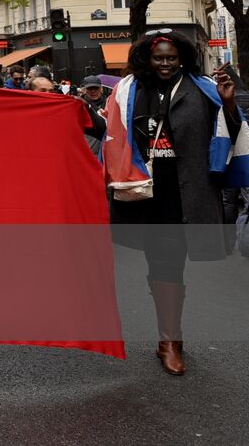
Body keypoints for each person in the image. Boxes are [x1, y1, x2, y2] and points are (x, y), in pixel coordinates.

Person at [104, 29, 243, 375]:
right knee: (162, 261)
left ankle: (170, 339)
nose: (165, 63)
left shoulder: (203, 89)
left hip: (188, 194)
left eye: (171, 58)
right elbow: (109, 132)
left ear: (182, 58)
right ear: (147, 59)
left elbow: (230, 134)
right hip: (146, 194)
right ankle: (169, 339)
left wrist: (228, 103)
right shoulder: (130, 91)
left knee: (171, 262)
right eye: (159, 58)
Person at [78, 75, 108, 155]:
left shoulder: (109, 103)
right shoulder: (78, 104)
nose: (93, 91)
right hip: (87, 153)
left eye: (96, 88)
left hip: (106, 152)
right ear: (84, 90)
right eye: (90, 88)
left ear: (101, 89)